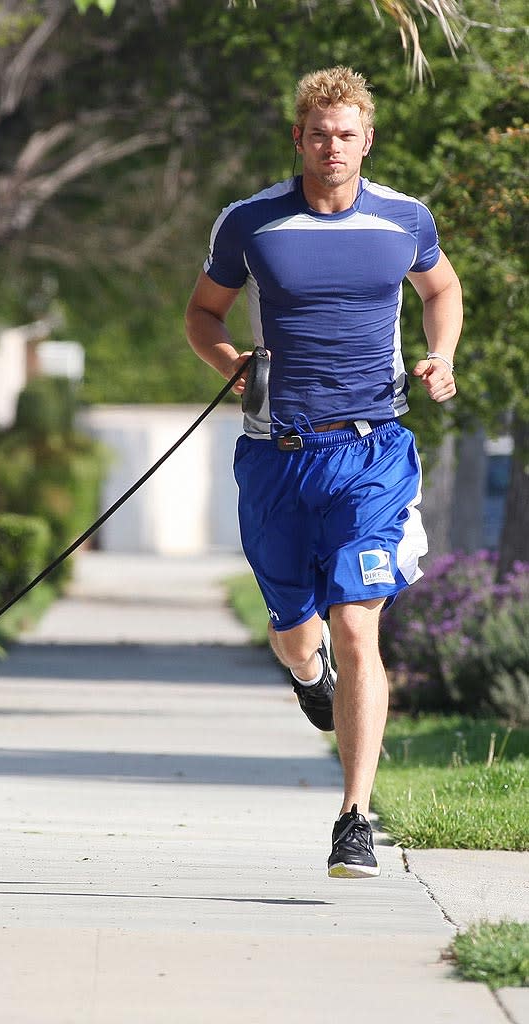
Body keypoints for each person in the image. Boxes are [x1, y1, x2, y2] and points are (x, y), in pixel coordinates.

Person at [184, 66, 462, 879]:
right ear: (298, 139)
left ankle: (354, 817)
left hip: (373, 450)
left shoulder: (404, 219)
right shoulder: (252, 223)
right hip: (277, 455)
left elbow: (441, 288)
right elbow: (203, 313)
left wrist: (440, 356)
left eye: (347, 134)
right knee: (298, 632)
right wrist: (230, 360)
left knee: (355, 623)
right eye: (318, 134)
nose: (332, 147)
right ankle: (309, 678)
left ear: (366, 139)